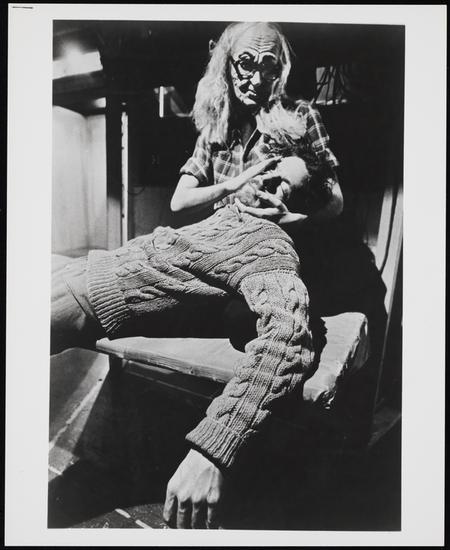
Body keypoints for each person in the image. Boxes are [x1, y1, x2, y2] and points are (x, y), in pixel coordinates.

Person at [51, 21, 344, 529]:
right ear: (228, 63)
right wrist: (236, 183)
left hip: (118, 286)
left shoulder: (273, 231)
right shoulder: (218, 124)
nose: (256, 77)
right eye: (245, 64)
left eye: (268, 66)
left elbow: (288, 336)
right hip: (135, 255)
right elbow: (180, 201)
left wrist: (212, 449)